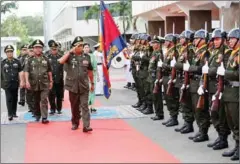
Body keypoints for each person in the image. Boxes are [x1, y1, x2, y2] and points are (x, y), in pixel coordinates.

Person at [58, 36, 94, 132]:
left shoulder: (87, 57)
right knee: (74, 107)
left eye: (81, 45)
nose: (80, 47)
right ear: (74, 46)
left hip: (84, 85)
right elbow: (61, 61)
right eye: (78, 45)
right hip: (72, 86)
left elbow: (90, 71)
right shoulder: (69, 56)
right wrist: (70, 51)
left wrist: (92, 83)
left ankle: (86, 126)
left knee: (85, 106)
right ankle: (75, 122)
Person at [184, 29, 211, 142]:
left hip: (200, 82)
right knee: (196, 108)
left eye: (196, 38)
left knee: (201, 109)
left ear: (203, 40)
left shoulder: (206, 52)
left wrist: (190, 68)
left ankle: (203, 132)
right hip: (193, 82)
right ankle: (200, 130)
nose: (194, 40)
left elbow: (202, 69)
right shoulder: (197, 52)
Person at [206, 29, 231, 150]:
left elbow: (219, 69)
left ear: (223, 40)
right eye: (214, 39)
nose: (215, 42)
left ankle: (223, 138)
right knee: (214, 112)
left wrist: (210, 70)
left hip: (223, 87)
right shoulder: (215, 52)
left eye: (217, 39)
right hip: (215, 86)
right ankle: (220, 136)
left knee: (220, 114)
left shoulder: (227, 53)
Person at [221, 28, 239, 161]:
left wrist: (225, 73)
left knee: (237, 121)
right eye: (230, 39)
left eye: (233, 38)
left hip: (236, 93)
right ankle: (237, 146)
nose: (230, 41)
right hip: (229, 91)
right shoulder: (233, 53)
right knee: (231, 122)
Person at [24, 39, 53, 124]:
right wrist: (27, 81)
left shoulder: (46, 59)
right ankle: (37, 114)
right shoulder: (29, 60)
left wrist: (51, 81)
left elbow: (49, 71)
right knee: (36, 100)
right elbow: (26, 71)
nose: (38, 49)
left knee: (44, 100)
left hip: (44, 83)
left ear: (42, 48)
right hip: (34, 83)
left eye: (39, 47)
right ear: (33, 48)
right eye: (36, 47)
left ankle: (44, 117)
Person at [174, 30, 195, 133]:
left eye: (182, 38)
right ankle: (186, 123)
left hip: (187, 79)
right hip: (181, 77)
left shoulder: (190, 50)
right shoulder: (183, 49)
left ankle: (189, 124)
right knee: (183, 102)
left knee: (186, 102)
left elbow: (188, 65)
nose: (180, 39)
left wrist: (178, 65)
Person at [1, 45, 24, 121]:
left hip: (15, 83)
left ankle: (14, 113)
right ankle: (10, 114)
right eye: (8, 52)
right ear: (5, 53)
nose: (10, 53)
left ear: (13, 52)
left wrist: (21, 82)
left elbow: (20, 72)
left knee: (15, 98)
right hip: (7, 84)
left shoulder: (17, 61)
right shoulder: (2, 62)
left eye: (11, 51)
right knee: (9, 98)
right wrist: (2, 84)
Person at [161, 33, 180, 127]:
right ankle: (171, 116)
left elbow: (174, 67)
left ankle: (174, 118)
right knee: (167, 97)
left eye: (167, 41)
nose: (165, 42)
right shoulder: (169, 51)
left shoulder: (175, 52)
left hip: (171, 77)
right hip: (166, 77)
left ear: (171, 42)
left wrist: (164, 65)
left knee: (172, 98)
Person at [149, 35, 165, 120]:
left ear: (158, 44)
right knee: (154, 96)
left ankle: (159, 114)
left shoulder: (159, 53)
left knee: (157, 96)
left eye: (155, 43)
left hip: (156, 76)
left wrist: (158, 78)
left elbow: (159, 67)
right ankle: (157, 112)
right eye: (153, 42)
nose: (153, 44)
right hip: (151, 76)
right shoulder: (154, 52)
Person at [47, 40, 64, 115]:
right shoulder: (47, 57)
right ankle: (52, 109)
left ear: (57, 49)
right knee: (51, 95)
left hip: (59, 79)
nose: (54, 50)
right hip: (50, 80)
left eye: (55, 49)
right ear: (50, 49)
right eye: (52, 49)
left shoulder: (61, 57)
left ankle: (59, 108)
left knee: (59, 95)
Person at [83, 43, 98, 113]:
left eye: (87, 47)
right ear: (83, 48)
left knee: (92, 91)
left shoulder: (93, 56)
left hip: (92, 77)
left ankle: (92, 106)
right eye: (85, 47)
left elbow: (95, 67)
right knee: (86, 92)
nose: (86, 49)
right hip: (83, 77)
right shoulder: (81, 56)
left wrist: (96, 76)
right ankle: (86, 105)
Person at [24, 45, 36, 116]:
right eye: (30, 50)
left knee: (35, 97)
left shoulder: (38, 58)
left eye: (32, 50)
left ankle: (35, 111)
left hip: (36, 81)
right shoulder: (25, 59)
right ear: (28, 51)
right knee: (28, 97)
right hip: (28, 81)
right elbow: (22, 70)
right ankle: (31, 108)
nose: (32, 52)